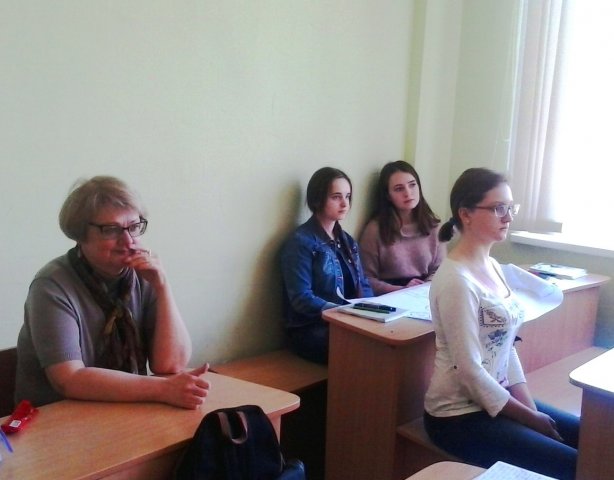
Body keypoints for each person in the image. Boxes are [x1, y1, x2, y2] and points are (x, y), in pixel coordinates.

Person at [423, 168, 579, 480]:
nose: (507, 217)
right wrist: (530, 419)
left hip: (496, 400)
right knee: (574, 464)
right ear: (465, 214)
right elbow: (469, 372)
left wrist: (531, 410)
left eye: (510, 208)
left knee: (596, 437)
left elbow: (505, 347)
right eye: (498, 208)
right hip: (457, 417)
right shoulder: (456, 281)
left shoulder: (493, 266)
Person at [15, 176, 209, 409]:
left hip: (125, 407)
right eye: (111, 230)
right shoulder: (51, 286)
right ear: (80, 234)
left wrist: (162, 286)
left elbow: (170, 365)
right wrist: (163, 389)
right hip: (57, 417)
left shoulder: (144, 273)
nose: (128, 241)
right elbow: (69, 379)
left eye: (134, 227)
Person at [281, 167, 373, 364]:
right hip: (310, 329)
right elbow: (301, 298)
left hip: (347, 320)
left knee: (384, 342)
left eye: (347, 196)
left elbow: (363, 284)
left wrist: (372, 312)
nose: (345, 204)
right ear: (318, 199)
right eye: (336, 197)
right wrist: (343, 312)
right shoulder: (301, 242)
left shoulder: (347, 241)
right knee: (365, 350)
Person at [359, 161, 445, 295]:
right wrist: (401, 290)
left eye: (412, 185)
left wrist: (422, 289)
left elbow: (440, 270)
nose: (408, 193)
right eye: (399, 189)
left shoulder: (434, 227)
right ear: (388, 195)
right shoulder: (375, 230)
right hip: (390, 297)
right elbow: (366, 278)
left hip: (425, 295)